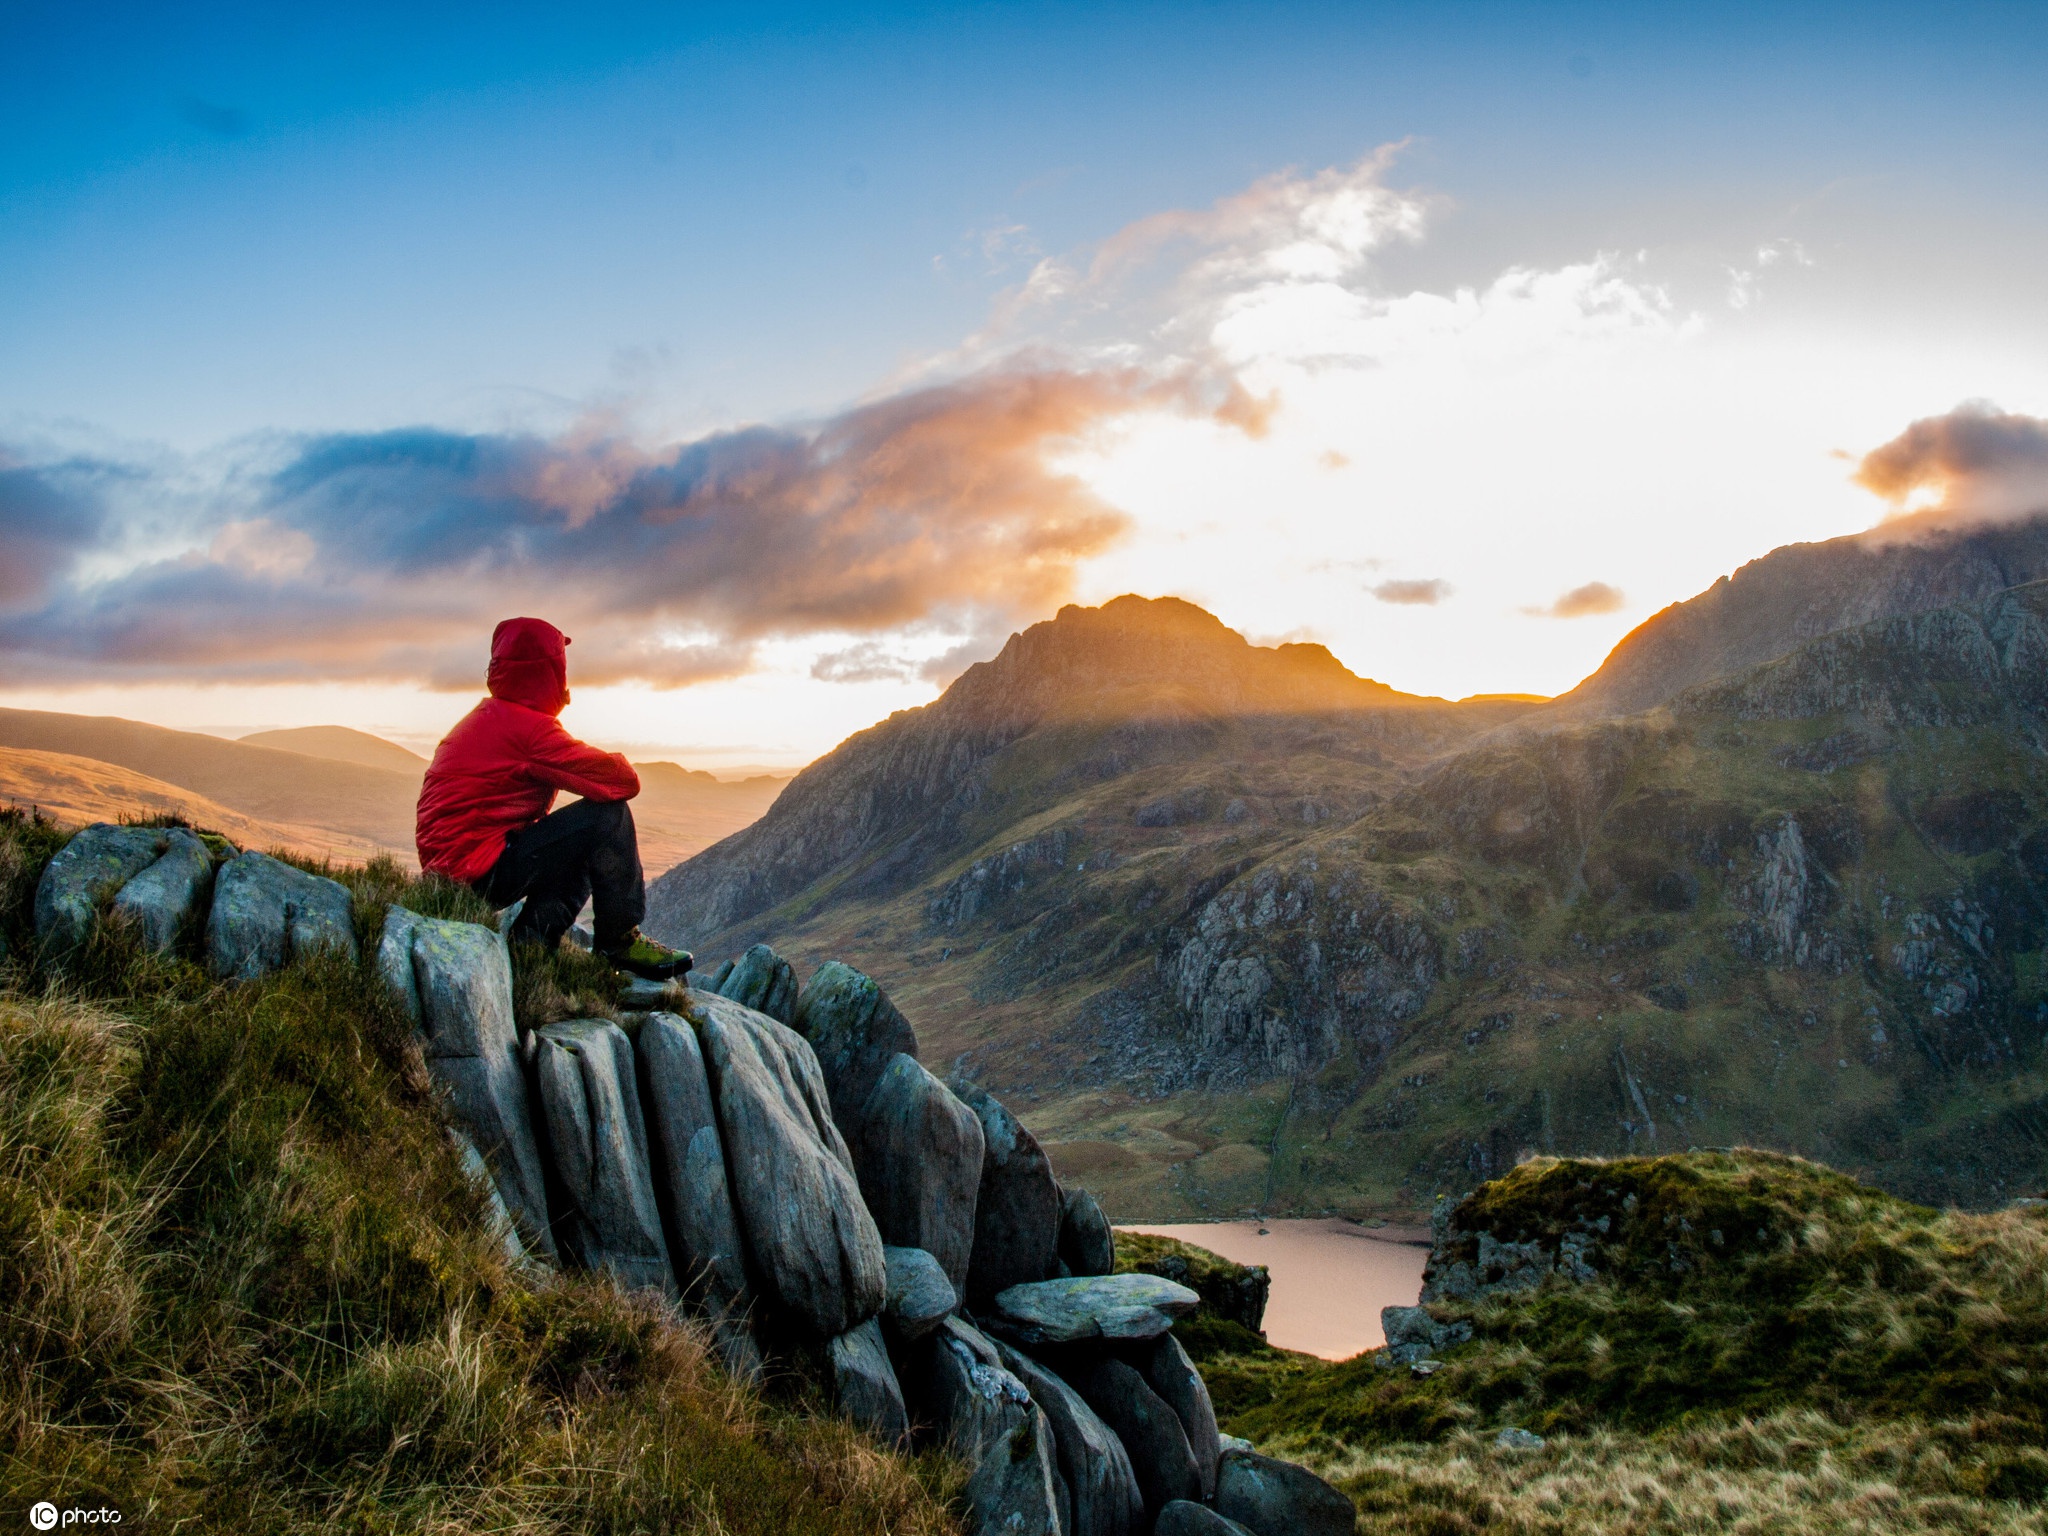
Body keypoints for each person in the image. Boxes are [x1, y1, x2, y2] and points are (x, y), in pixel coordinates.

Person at [415, 617, 691, 980]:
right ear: (548, 671)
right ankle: (619, 942)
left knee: (576, 846)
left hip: (451, 873)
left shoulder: (490, 718)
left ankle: (529, 948)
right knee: (609, 817)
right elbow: (622, 782)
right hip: (479, 872)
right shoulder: (528, 730)